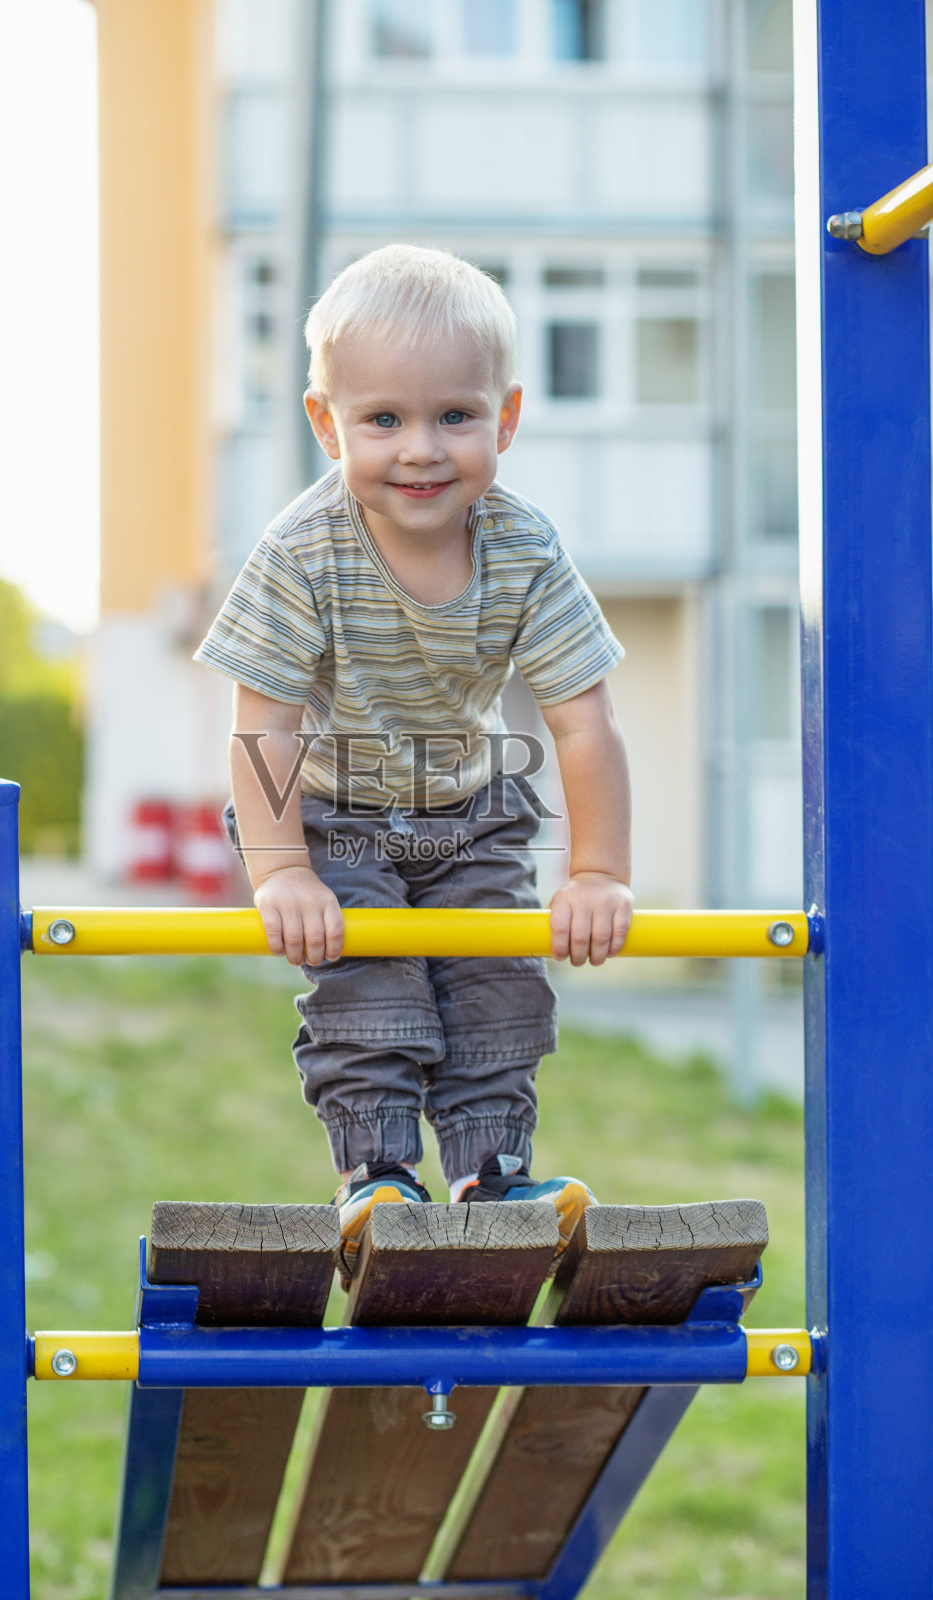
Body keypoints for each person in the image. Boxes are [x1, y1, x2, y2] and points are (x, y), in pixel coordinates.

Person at [195, 244, 633, 1276]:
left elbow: (582, 722)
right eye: (382, 419)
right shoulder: (303, 548)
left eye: (455, 416)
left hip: (467, 806)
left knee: (496, 986)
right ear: (325, 424)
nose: (420, 449)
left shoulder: (522, 546)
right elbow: (261, 726)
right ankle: (377, 1176)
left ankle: (492, 1171)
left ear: (506, 418)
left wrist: (597, 871)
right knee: (373, 992)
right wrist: (284, 869)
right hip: (329, 811)